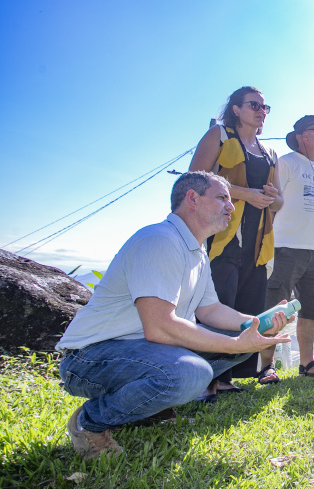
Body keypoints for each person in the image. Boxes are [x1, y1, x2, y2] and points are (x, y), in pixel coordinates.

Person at [55, 172, 292, 458]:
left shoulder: (197, 251)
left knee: (239, 341)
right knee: (191, 372)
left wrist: (258, 325)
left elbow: (210, 310)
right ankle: (89, 422)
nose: (231, 206)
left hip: (139, 352)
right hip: (88, 359)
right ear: (192, 199)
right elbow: (160, 328)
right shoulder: (160, 240)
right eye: (222, 198)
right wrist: (236, 344)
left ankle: (147, 408)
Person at [188, 86, 283, 391]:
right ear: (236, 109)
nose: (261, 111)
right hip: (223, 238)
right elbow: (195, 178)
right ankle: (206, 376)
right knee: (220, 304)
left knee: (247, 306)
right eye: (254, 105)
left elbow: (279, 202)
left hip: (256, 243)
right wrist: (244, 194)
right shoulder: (219, 135)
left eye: (265, 107)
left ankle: (228, 376)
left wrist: (270, 198)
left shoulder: (270, 153)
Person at [260, 115, 314, 379]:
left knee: (312, 308)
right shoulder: (286, 163)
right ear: (304, 136)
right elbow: (271, 203)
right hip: (285, 246)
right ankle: (267, 366)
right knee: (275, 307)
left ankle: (307, 363)